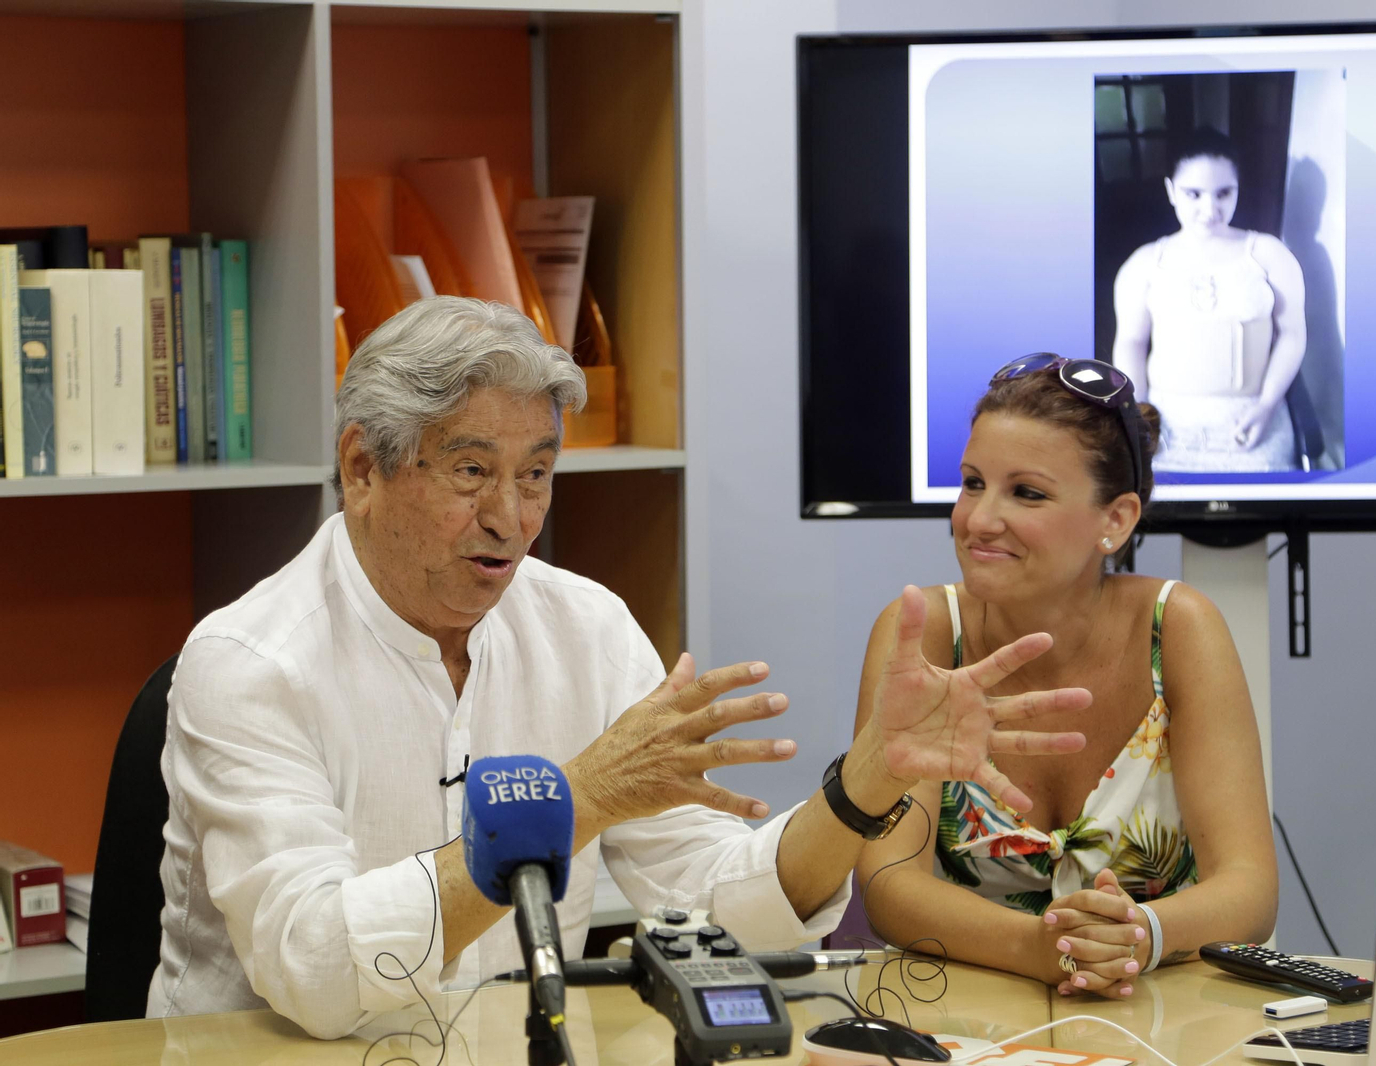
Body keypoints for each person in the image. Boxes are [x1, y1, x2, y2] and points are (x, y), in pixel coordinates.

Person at [146, 298, 1094, 1038]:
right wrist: (580, 799)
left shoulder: (585, 626)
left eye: (537, 474)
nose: (512, 519)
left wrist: (864, 786)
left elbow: (713, 900)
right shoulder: (250, 662)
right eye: (471, 471)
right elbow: (315, 971)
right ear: (363, 468)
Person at [853, 353, 1276, 999]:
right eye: (972, 483)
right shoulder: (923, 631)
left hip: (1159, 1015)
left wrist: (1137, 935)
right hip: (968, 1020)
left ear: (1116, 520)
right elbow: (888, 884)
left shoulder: (1181, 627)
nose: (978, 520)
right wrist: (1039, 949)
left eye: (1026, 492)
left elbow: (1248, 888)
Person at [1111, 127, 1306, 472]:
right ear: (1171, 190)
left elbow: (1292, 333)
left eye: (1223, 193)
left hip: (1253, 417)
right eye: (1194, 194)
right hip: (1167, 424)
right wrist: (1137, 417)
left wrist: (1268, 405)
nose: (1209, 208)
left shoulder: (1270, 255)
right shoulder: (1143, 264)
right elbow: (1131, 341)